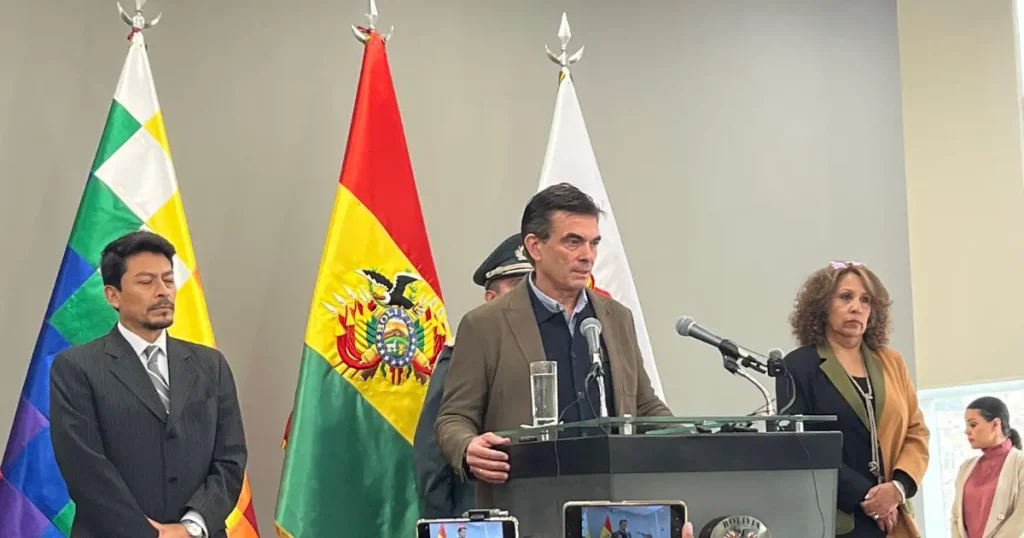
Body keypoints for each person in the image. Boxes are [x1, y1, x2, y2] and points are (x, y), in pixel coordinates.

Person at [434, 183, 671, 504]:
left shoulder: (617, 318)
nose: (587, 256)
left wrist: (685, 439)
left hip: (615, 506)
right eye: (573, 242)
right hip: (527, 503)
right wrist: (467, 447)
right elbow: (454, 418)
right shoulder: (485, 325)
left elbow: (643, 406)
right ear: (535, 246)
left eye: (593, 243)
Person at [49, 231, 247, 538]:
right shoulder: (77, 367)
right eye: (146, 282)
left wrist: (190, 528)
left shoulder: (211, 365)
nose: (163, 291)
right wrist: (152, 534)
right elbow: (85, 470)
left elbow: (230, 459)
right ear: (112, 295)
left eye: (168, 280)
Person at [776, 261, 929, 538]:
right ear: (822, 306)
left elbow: (916, 432)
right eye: (845, 297)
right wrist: (868, 497)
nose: (856, 307)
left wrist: (897, 489)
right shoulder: (797, 366)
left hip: (894, 518)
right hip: (836, 518)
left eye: (865, 300)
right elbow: (800, 445)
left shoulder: (892, 361)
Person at [413, 233, 532, 518]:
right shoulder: (464, 351)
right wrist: (443, 526)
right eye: (516, 286)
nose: (525, 296)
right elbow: (433, 454)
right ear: (490, 299)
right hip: (480, 515)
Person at [951, 396, 1024, 538]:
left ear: (996, 424)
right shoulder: (965, 468)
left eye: (973, 425)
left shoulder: (1020, 465)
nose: (967, 431)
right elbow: (955, 518)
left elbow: (1021, 520)